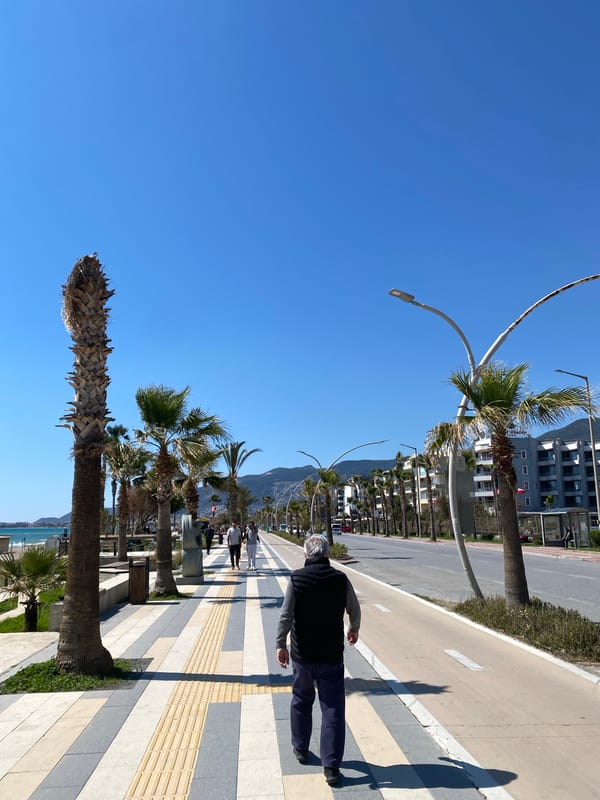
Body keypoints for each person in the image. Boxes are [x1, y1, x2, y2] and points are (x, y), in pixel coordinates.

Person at [276, 534, 361, 787]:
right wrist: (353, 629)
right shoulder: (340, 579)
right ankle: (331, 767)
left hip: (302, 655)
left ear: (306, 555)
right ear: (327, 554)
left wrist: (280, 644)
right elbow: (354, 609)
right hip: (331, 656)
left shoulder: (297, 579)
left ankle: (300, 748)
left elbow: (285, 615)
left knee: (301, 700)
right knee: (332, 708)